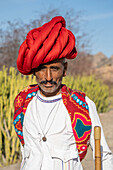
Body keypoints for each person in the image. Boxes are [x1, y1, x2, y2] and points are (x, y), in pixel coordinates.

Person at [13, 16, 113, 170]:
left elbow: (104, 156)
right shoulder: (23, 103)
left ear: (64, 70)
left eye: (54, 68)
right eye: (41, 69)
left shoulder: (82, 105)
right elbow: (25, 151)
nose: (48, 77)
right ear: (34, 71)